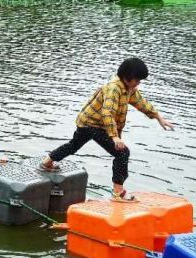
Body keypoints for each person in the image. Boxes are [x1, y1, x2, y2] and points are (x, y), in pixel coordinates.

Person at [39, 58, 174, 202]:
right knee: (122, 153)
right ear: (127, 77)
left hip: (87, 121)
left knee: (73, 145)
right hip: (93, 124)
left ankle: (47, 162)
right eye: (137, 79)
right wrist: (114, 137)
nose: (139, 83)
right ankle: (118, 193)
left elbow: (141, 103)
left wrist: (158, 117)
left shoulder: (128, 89)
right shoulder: (113, 89)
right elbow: (107, 113)